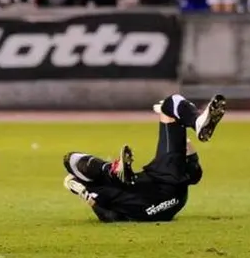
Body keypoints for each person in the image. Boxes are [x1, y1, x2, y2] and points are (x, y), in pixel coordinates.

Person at [62, 93, 227, 222]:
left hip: (168, 192)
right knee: (173, 105)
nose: (91, 163)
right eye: (88, 165)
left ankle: (196, 121)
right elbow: (111, 217)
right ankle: (195, 122)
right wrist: (86, 196)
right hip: (160, 198)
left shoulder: (101, 191)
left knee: (171, 105)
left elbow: (194, 175)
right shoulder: (96, 191)